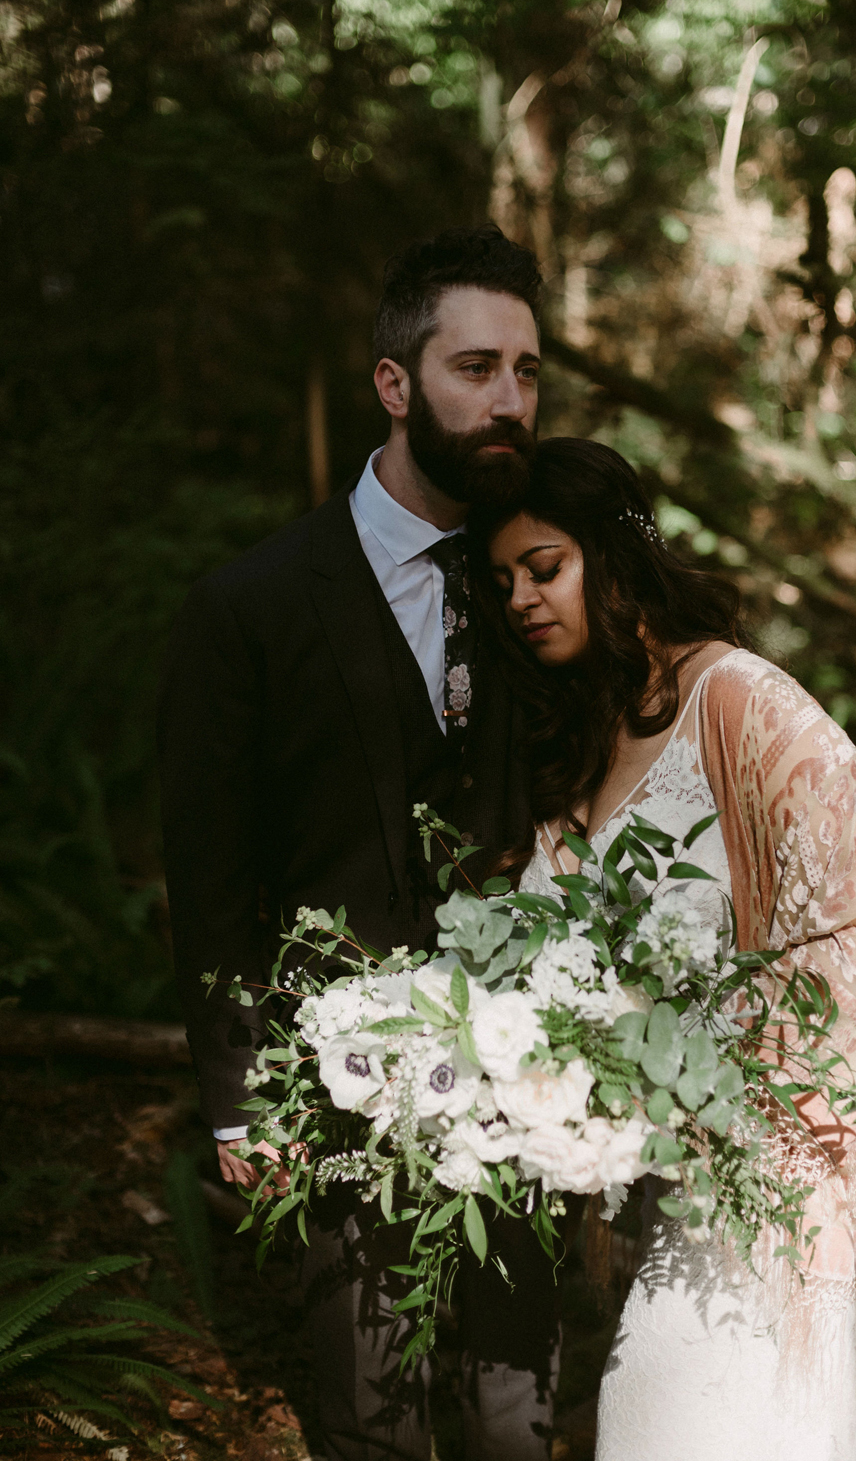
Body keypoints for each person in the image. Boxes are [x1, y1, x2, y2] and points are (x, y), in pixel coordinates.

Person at [479, 437, 856, 1460]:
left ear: (615, 560)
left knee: (670, 1413)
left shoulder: (739, 700)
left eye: (545, 568)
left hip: (770, 1171)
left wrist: (750, 1109)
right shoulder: (575, 735)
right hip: (656, 1176)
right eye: (501, 582)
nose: (521, 600)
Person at [159, 226, 561, 1459]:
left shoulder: (543, 584)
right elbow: (213, 878)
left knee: (516, 1413)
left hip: (534, 1080)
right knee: (370, 1419)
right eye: (476, 368)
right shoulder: (254, 605)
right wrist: (237, 1103)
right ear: (395, 384)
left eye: (528, 374)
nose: (508, 401)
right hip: (334, 1094)